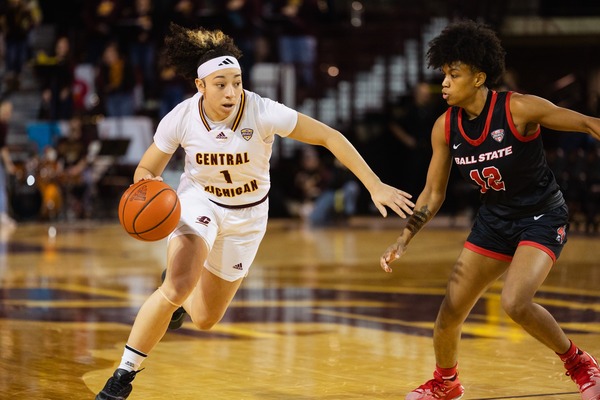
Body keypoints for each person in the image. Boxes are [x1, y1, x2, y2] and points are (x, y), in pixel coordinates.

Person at [95, 22, 414, 400]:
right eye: (221, 83)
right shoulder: (181, 117)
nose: (231, 91)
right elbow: (146, 169)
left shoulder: (262, 111)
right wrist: (153, 190)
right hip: (200, 203)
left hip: (247, 216)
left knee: (206, 319)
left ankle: (179, 300)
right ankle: (122, 377)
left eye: (237, 81)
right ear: (200, 86)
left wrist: (374, 184)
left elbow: (330, 136)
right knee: (177, 286)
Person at [379, 19, 600, 400]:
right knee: (449, 313)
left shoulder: (518, 108)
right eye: (443, 74)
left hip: (541, 216)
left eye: (454, 74)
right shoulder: (444, 128)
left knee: (514, 302)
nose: (444, 83)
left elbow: (586, 123)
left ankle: (581, 364)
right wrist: (404, 238)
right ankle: (446, 383)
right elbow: (433, 193)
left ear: (479, 77)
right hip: (495, 221)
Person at [0, 99, 17, 228]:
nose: (8, 113)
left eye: (10, 111)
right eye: (6, 109)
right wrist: (9, 164)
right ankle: (2, 215)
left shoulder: (4, 125)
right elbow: (3, 148)